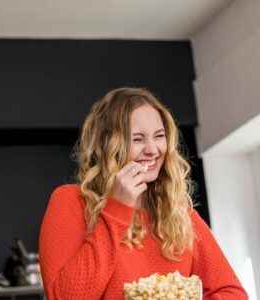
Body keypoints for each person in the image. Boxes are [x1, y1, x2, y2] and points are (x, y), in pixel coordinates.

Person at [38, 87, 248, 299]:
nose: (153, 149)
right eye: (138, 139)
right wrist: (117, 208)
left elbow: (232, 292)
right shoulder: (71, 201)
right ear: (108, 145)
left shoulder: (178, 214)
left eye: (159, 136)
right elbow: (64, 297)